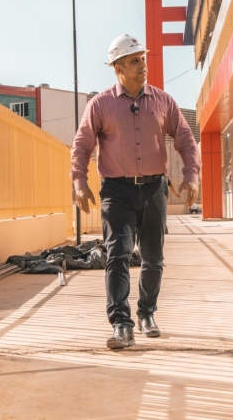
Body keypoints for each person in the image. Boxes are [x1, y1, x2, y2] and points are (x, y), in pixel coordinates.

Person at [70, 34, 200, 350]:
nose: (142, 65)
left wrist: (191, 175)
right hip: (117, 191)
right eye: (134, 60)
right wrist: (79, 183)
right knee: (118, 255)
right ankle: (120, 324)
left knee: (154, 258)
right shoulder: (100, 104)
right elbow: (82, 145)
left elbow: (185, 139)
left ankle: (146, 314)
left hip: (155, 189)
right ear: (117, 68)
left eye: (143, 58)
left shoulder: (163, 101)